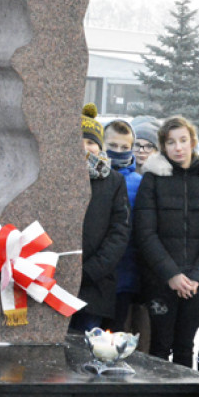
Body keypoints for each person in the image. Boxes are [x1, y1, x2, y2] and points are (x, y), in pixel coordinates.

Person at [134, 115, 199, 367]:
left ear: (193, 141)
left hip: (198, 282)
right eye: (171, 142)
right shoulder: (152, 180)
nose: (178, 147)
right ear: (163, 146)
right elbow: (145, 233)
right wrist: (172, 275)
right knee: (160, 347)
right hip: (161, 280)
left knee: (186, 347)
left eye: (183, 140)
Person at [73, 105, 130, 333]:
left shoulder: (114, 181)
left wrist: (89, 272)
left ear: (99, 146)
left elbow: (119, 232)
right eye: (80, 140)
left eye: (91, 142)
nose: (85, 147)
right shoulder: (56, 177)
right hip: (55, 282)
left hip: (95, 284)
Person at [103, 118, 142, 331]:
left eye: (124, 147)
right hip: (95, 273)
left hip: (125, 273)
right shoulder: (89, 177)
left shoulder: (139, 183)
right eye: (113, 146)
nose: (118, 152)